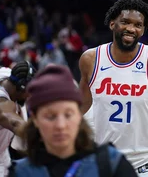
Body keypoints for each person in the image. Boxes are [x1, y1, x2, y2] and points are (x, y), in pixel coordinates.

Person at [79, 0, 148, 176]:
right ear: (112, 23)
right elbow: (80, 108)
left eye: (138, 25)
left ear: (142, 30)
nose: (131, 29)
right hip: (107, 159)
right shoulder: (91, 59)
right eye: (125, 22)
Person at [8, 65, 137, 177]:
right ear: (35, 119)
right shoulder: (20, 172)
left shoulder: (111, 163)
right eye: (50, 116)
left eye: (68, 115)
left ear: (79, 115)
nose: (60, 125)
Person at [0, 60, 36, 177]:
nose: (30, 96)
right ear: (20, 88)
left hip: (1, 154)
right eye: (29, 92)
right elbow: (15, 123)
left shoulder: (3, 74)